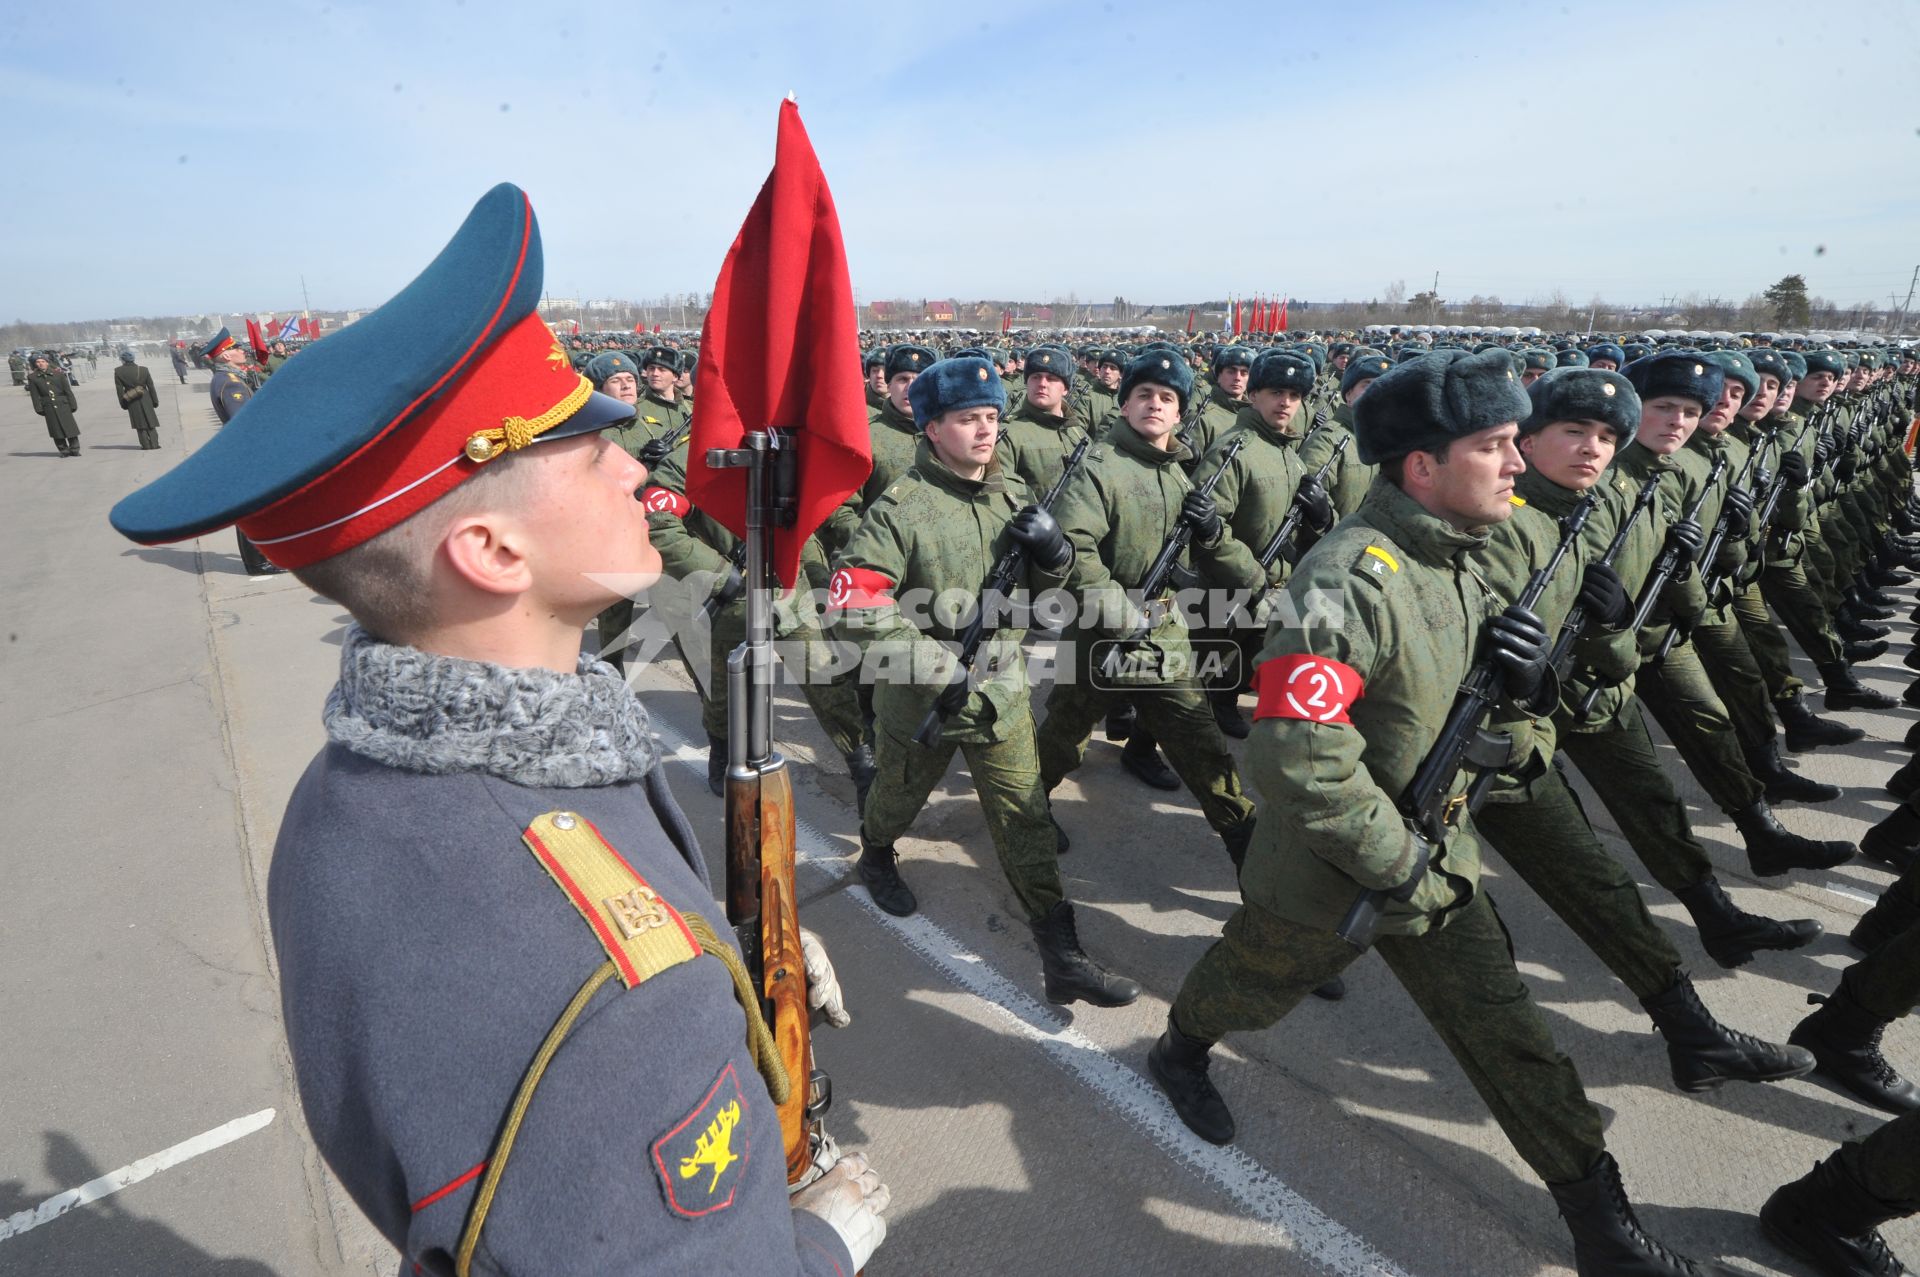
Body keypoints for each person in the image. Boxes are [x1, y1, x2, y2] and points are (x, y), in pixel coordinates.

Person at [107, 182, 889, 1277]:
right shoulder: (619, 1008)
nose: (635, 466)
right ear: (493, 553)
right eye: (591, 450)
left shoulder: (354, 792)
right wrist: (815, 1241)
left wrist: (712, 949)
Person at [1149, 348, 1736, 1276]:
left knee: (1510, 1033)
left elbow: (1464, 711)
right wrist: (1401, 866)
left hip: (1433, 859)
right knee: (1251, 982)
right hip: (1332, 872)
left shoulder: (1461, 562)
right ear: (1423, 464)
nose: (1515, 462)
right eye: (1496, 444)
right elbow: (1296, 753)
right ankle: (1181, 1048)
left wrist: (1526, 689)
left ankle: (1600, 1222)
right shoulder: (1349, 579)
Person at [825, 355, 1139, 1006]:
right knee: (895, 799)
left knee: (1025, 820)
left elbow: (1042, 589)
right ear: (932, 427)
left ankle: (1063, 955)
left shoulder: (1014, 492)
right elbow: (853, 600)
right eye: (968, 418)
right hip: (921, 698)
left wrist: (1056, 556)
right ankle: (877, 852)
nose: (986, 430)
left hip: (1001, 694)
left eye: (992, 416)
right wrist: (937, 665)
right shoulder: (902, 508)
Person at [203, 327, 286, 576]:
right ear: (226, 356)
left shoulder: (228, 378)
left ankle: (260, 560)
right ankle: (258, 563)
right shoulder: (230, 384)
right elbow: (244, 424)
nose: (241, 351)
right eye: (235, 349)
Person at [25, 352, 80, 456]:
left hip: (63, 404)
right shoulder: (33, 377)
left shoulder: (58, 374)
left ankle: (75, 449)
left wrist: (73, 404)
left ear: (47, 362)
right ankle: (63, 450)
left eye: (43, 361)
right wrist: (38, 408)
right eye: (38, 362)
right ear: (35, 364)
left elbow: (67, 391)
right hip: (48, 406)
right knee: (56, 429)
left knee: (70, 428)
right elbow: (35, 395)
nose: (40, 364)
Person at [114, 349, 162, 450]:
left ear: (123, 360)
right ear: (133, 358)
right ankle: (155, 444)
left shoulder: (118, 371)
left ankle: (145, 445)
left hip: (131, 399)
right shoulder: (144, 369)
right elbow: (151, 386)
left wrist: (123, 403)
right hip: (145, 397)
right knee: (150, 421)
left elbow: (119, 390)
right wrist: (155, 401)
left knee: (139, 424)